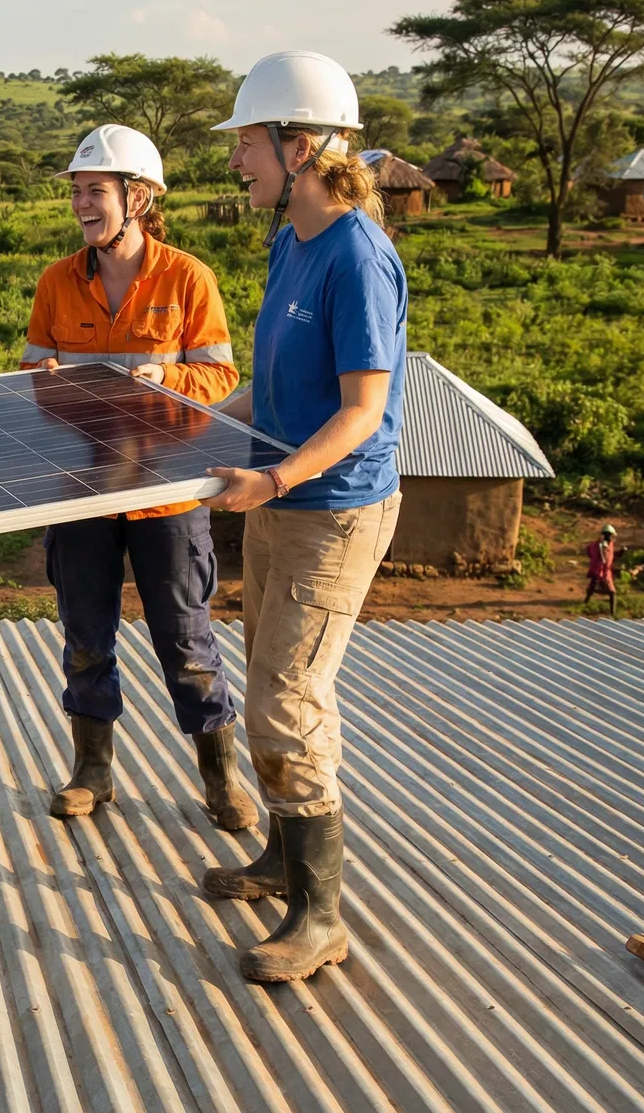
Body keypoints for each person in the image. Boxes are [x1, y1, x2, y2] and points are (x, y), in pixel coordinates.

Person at [196, 52, 408, 985]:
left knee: (290, 696)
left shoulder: (358, 258)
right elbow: (275, 382)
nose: (237, 160)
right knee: (265, 681)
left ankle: (321, 917)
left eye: (248, 142)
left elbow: (362, 409)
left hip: (332, 512)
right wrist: (203, 416)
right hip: (281, 494)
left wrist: (273, 482)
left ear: (303, 143)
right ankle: (284, 860)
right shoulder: (292, 235)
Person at [22, 125, 253, 831]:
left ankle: (220, 779)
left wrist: (169, 375)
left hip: (168, 493)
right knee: (86, 637)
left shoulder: (188, 278)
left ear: (140, 197)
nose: (83, 204)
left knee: (187, 644)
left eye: (96, 191)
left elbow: (220, 374)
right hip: (84, 488)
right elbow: (32, 375)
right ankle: (93, 772)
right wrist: (50, 382)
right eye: (76, 192)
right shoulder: (58, 282)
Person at [586, 523, 620, 616]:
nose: (609, 537)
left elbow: (612, 556)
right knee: (611, 592)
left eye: (610, 535)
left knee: (595, 587)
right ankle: (613, 613)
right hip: (598, 570)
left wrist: (622, 552)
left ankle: (612, 612)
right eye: (607, 535)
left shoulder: (610, 545)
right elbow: (591, 552)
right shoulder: (598, 545)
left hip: (606, 571)